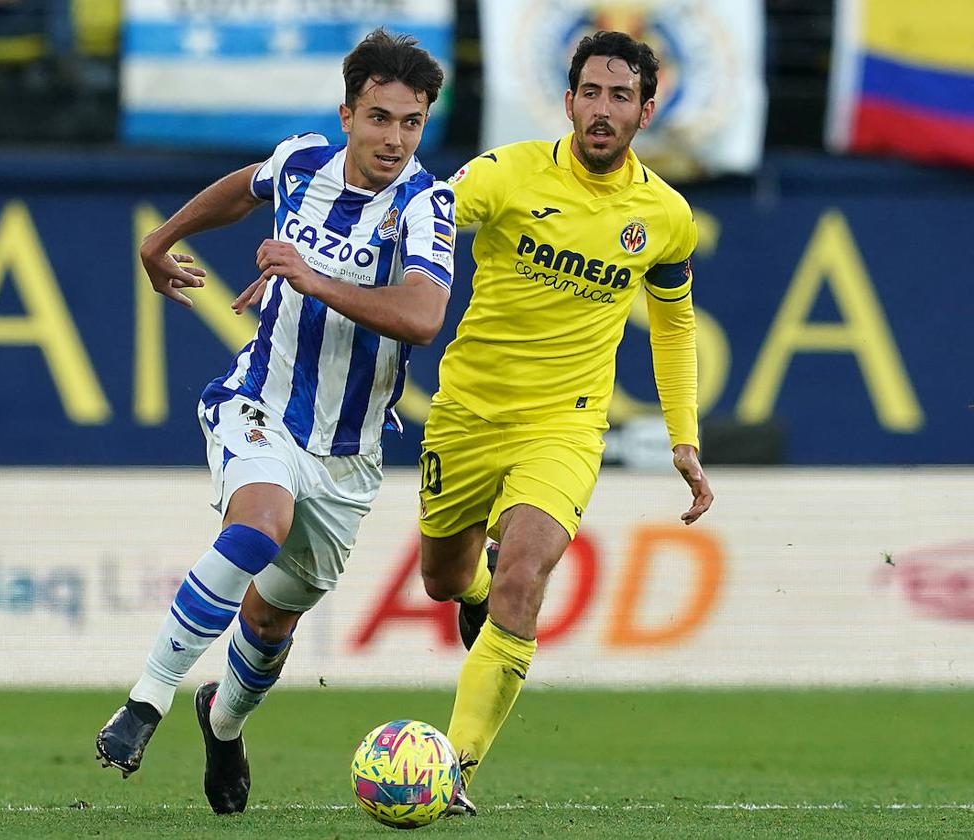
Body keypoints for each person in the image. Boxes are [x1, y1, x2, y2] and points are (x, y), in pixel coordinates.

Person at [95, 28, 463, 816]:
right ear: (347, 114)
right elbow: (245, 185)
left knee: (270, 619)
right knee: (258, 524)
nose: (394, 138)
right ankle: (146, 699)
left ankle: (220, 723)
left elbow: (425, 317)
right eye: (379, 118)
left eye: (411, 121)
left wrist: (312, 276)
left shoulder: (427, 205)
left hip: (349, 456)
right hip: (258, 404)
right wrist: (161, 240)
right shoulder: (301, 161)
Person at [416, 30, 715, 813]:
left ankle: (453, 769)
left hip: (566, 425)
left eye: (621, 97)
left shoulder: (665, 217)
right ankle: (471, 584)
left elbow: (676, 325)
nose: (603, 110)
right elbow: (433, 211)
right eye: (591, 93)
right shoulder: (507, 172)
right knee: (445, 579)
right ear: (569, 99)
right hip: (468, 414)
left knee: (525, 575)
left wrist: (684, 436)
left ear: (647, 110)